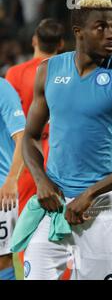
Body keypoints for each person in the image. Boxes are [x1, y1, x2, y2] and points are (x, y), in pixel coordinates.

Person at [21, 0, 112, 280]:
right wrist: (42, 182)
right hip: (54, 206)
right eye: (101, 27)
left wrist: (90, 193)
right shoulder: (49, 71)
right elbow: (29, 137)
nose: (111, 33)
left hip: (100, 210)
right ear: (79, 33)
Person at [5, 18, 65, 215]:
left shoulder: (15, 74)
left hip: (29, 156)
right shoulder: (71, 73)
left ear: (34, 41)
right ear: (61, 44)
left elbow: (9, 121)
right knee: (60, 222)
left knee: (23, 225)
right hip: (62, 157)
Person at [0, 79, 25, 280]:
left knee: (2, 259)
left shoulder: (2, 88)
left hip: (1, 190)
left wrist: (11, 179)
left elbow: (22, 137)